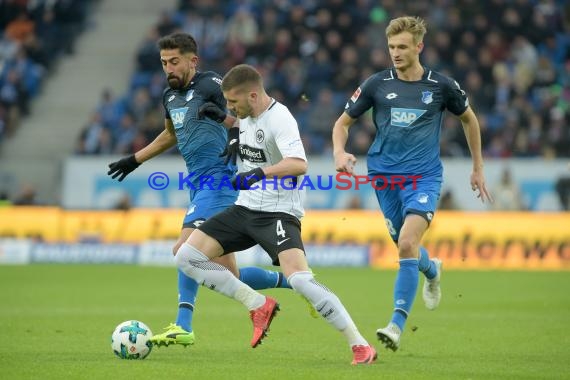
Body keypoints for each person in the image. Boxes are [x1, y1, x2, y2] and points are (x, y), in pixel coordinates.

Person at [175, 64, 377, 365]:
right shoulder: (247, 114)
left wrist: (259, 173)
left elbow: (299, 164)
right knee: (186, 256)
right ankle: (257, 303)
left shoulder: (281, 118)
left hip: (278, 214)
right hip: (245, 208)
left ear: (253, 96)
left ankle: (360, 344)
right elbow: (243, 128)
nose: (231, 107)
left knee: (300, 281)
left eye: (233, 102)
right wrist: (227, 121)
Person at [107, 33, 296, 348]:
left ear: (192, 61)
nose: (169, 68)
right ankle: (294, 282)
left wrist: (232, 131)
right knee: (223, 273)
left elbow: (245, 118)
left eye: (175, 62)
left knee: (184, 252)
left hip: (220, 181)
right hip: (198, 185)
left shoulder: (212, 85)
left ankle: (183, 324)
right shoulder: (169, 95)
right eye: (164, 62)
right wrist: (135, 159)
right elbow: (170, 135)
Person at [332, 16, 493, 352]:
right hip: (383, 177)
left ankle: (396, 324)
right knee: (405, 246)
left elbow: (469, 119)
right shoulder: (376, 84)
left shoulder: (441, 86)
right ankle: (431, 269)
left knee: (406, 242)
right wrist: (339, 152)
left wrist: (478, 167)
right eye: (391, 47)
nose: (395, 52)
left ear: (419, 47)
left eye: (402, 46)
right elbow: (342, 124)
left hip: (423, 177)